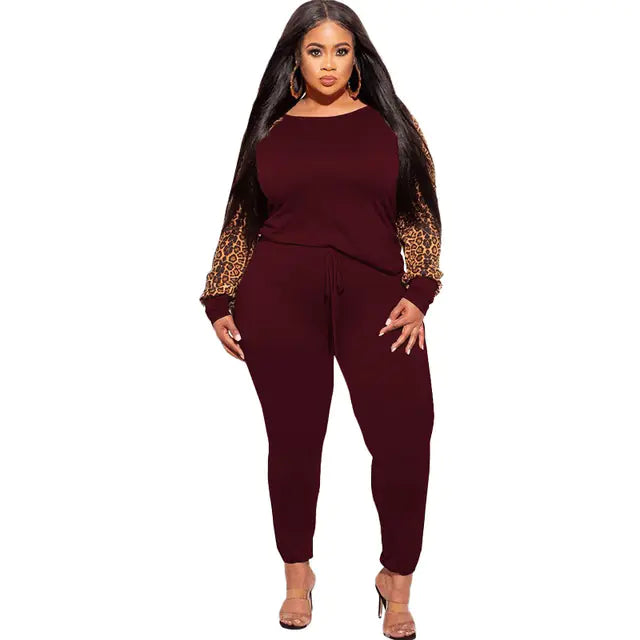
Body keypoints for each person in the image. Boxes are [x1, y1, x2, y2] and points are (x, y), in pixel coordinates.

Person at [199, 3, 443, 638]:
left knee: (404, 437)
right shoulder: (270, 129)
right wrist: (220, 296)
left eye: (340, 50)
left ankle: (396, 579)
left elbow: (420, 210)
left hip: (378, 300)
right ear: (295, 59)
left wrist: (421, 290)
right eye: (315, 51)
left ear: (358, 57)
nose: (328, 64)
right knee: (294, 442)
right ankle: (297, 575)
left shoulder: (393, 124)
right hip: (280, 296)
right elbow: (242, 216)